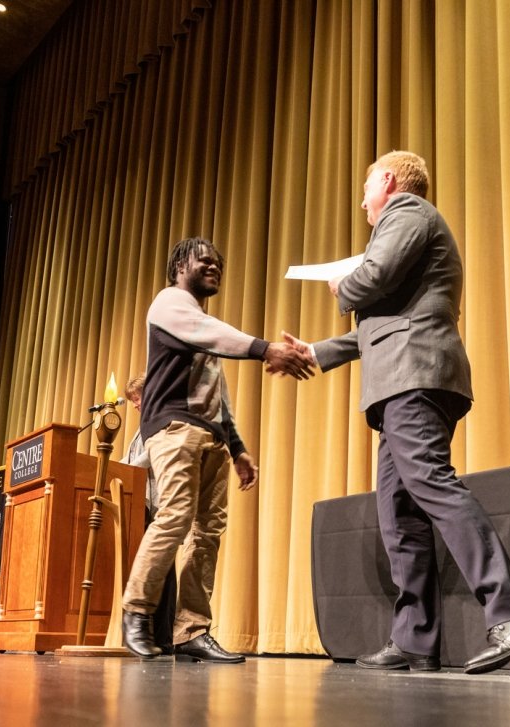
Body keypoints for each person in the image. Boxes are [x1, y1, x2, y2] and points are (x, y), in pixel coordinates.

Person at [281, 151, 510, 674]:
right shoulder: (404, 223)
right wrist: (315, 353)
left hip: (417, 377)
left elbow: (373, 278)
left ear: (387, 180)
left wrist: (344, 284)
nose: (363, 199)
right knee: (399, 513)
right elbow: (381, 327)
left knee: (431, 484)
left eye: (366, 187)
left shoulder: (405, 212)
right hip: (401, 380)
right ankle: (414, 640)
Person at [121, 236, 312, 663]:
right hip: (174, 429)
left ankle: (192, 629)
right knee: (174, 517)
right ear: (178, 266)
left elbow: (217, 392)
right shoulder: (168, 303)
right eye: (204, 260)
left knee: (207, 534)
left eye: (219, 263)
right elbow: (212, 334)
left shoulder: (203, 331)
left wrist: (238, 448)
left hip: (209, 437)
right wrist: (267, 349)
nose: (214, 267)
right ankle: (135, 613)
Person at [120, 374, 176, 654]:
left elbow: (152, 456)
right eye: (132, 400)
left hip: (157, 504)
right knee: (156, 567)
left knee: (163, 568)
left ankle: (164, 637)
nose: (134, 405)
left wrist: (121, 470)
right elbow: (133, 460)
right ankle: (154, 636)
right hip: (138, 502)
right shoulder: (143, 425)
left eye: (136, 399)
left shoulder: (163, 417)